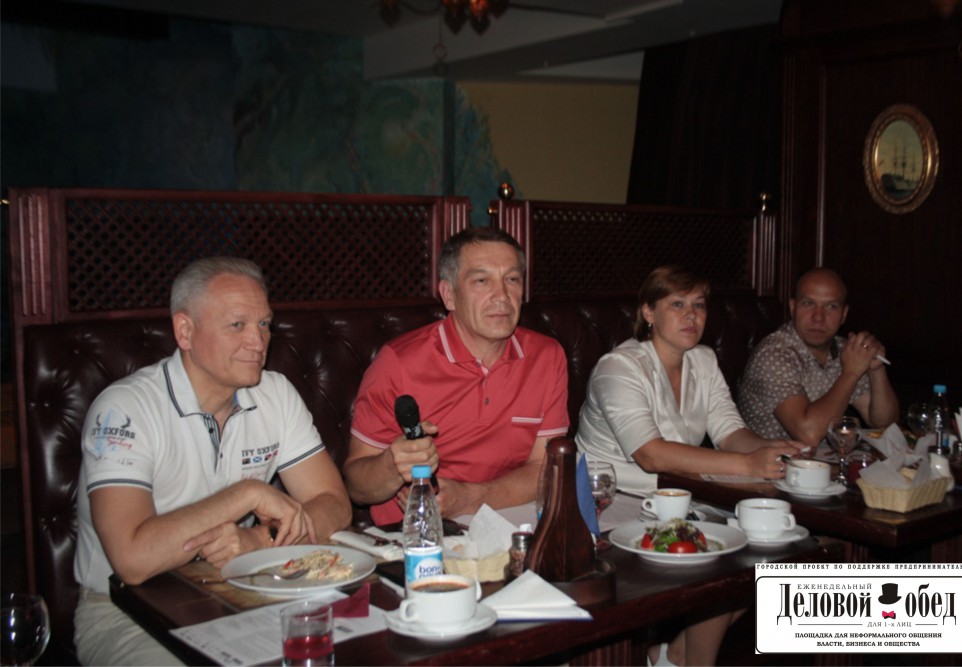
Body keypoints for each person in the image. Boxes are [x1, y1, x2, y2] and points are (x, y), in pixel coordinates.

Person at [73, 257, 353, 666]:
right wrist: (246, 495)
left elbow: (334, 504)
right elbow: (132, 560)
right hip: (125, 612)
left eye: (264, 324)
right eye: (237, 325)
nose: (258, 341)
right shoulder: (124, 409)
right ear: (185, 331)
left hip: (245, 592)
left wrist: (261, 540)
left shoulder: (275, 393)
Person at [575, 265, 803, 667]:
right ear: (649, 312)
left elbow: (729, 431)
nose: (691, 316)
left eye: (699, 305)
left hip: (676, 499)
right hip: (608, 506)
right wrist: (748, 466)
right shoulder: (619, 367)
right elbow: (650, 454)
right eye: (677, 304)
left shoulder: (703, 360)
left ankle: (676, 657)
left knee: (774, 552)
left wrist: (776, 450)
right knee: (727, 563)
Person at [344, 227, 569, 525]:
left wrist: (469, 498)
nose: (502, 296)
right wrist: (390, 466)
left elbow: (546, 469)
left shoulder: (547, 356)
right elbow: (356, 488)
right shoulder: (399, 363)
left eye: (512, 279)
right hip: (413, 533)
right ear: (449, 295)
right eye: (481, 281)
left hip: (512, 524)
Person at [738, 267, 899, 446]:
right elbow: (808, 434)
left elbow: (883, 422)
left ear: (844, 315)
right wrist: (851, 373)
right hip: (769, 461)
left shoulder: (844, 349)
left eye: (831, 306)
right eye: (808, 304)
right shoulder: (773, 354)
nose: (818, 317)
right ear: (793, 308)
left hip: (822, 461)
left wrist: (876, 369)